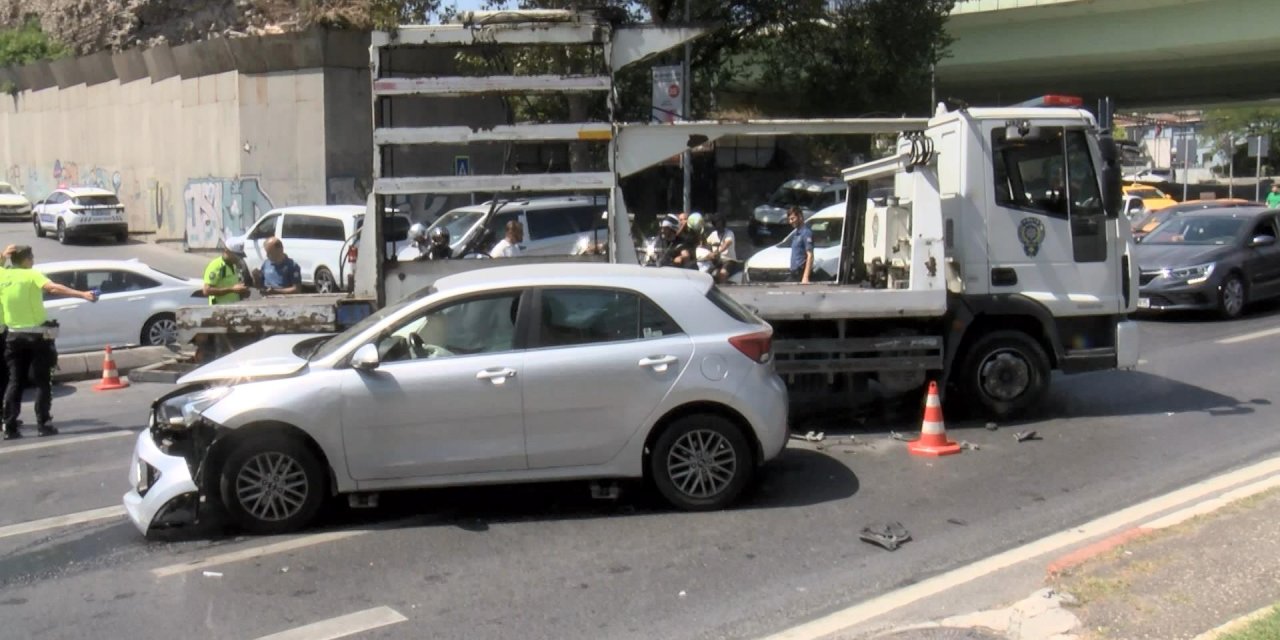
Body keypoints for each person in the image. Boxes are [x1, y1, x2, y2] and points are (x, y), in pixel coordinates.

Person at [0, 246, 97, 439]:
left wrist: (3, 256)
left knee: (15, 382)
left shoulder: (3, 276)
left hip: (13, 337)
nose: (33, 260)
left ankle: (9, 427)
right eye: (32, 257)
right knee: (42, 382)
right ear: (26, 260)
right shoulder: (31, 275)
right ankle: (43, 424)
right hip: (37, 336)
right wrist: (82, 294)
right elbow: (52, 288)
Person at [204, 237, 248, 305]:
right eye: (236, 255)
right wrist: (232, 289)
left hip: (235, 308)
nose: (238, 258)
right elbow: (207, 290)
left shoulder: (235, 265)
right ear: (227, 251)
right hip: (219, 310)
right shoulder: (216, 266)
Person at [705, 214, 740, 284]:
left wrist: (717, 252)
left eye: (719, 223)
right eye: (716, 223)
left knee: (722, 273)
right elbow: (706, 244)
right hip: (716, 261)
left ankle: (723, 288)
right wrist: (708, 253)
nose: (718, 225)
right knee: (706, 274)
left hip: (728, 260)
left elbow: (727, 243)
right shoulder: (713, 234)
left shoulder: (729, 233)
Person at [787, 206, 814, 283]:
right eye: (789, 219)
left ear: (800, 217)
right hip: (794, 273)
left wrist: (805, 277)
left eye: (792, 218)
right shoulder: (796, 233)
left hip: (800, 273)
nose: (790, 222)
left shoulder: (806, 233)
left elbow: (810, 255)